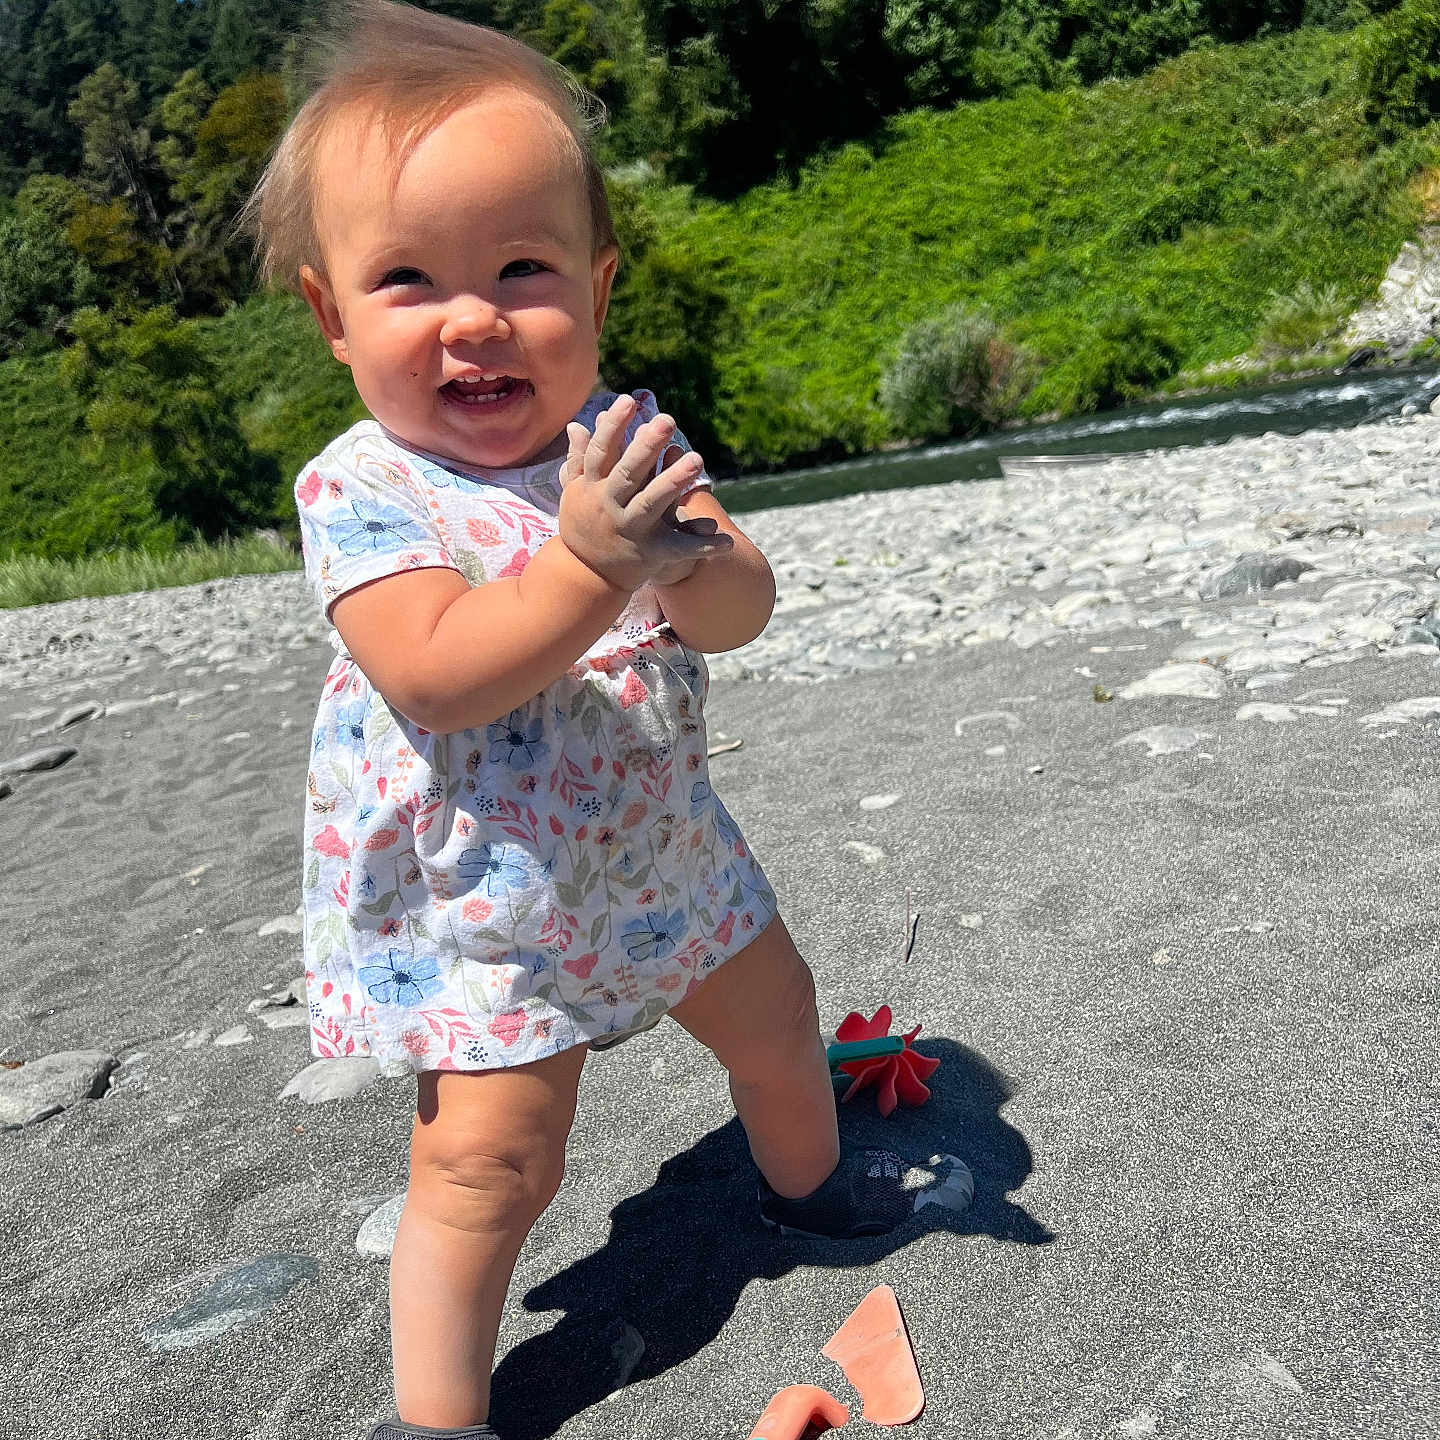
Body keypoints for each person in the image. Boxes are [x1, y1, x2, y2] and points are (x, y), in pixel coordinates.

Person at [243, 4, 968, 1435]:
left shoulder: (617, 451)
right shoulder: (365, 490)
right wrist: (586, 563)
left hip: (662, 849)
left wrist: (687, 551)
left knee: (776, 1018)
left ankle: (811, 1195)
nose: (475, 317)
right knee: (491, 1163)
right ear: (332, 316)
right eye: (408, 280)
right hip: (488, 899)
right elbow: (441, 670)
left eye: (524, 266)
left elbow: (738, 610)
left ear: (598, 281)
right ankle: (439, 1413)